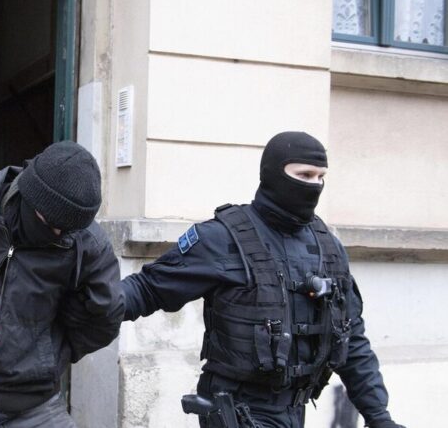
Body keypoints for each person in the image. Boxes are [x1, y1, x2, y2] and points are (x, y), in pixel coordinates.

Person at [120, 132, 404, 428]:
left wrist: (379, 416)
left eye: (321, 177)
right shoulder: (223, 237)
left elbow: (352, 338)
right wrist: (96, 304)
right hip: (238, 410)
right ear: (273, 174)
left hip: (295, 410)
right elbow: (148, 289)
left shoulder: (328, 248)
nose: (314, 185)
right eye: (304, 175)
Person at [0, 141, 124, 427]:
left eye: (67, 228)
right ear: (31, 196)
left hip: (33, 403)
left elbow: (106, 316)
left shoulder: (87, 243)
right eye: (52, 223)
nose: (58, 233)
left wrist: (50, 354)